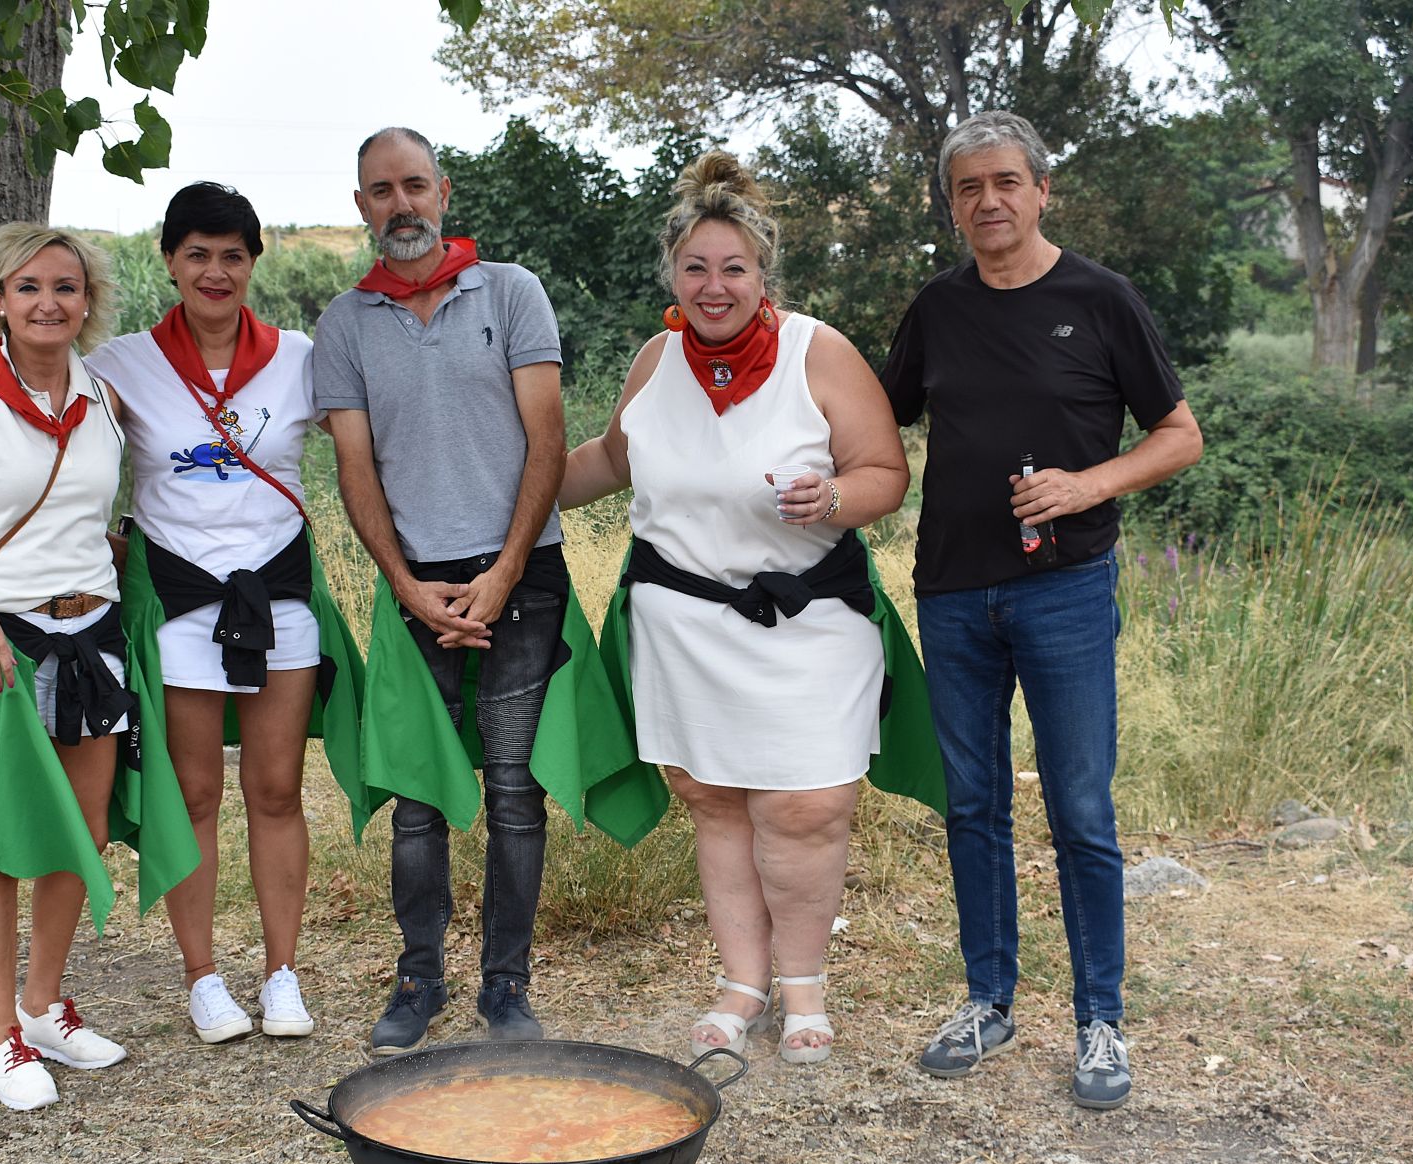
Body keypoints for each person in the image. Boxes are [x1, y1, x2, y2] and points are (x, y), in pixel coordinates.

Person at [561, 152, 937, 1066]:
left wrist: (833, 502)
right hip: (680, 625)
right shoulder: (657, 359)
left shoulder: (822, 351)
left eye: (733, 267)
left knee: (806, 807)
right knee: (717, 802)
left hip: (806, 623)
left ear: (763, 272)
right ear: (673, 276)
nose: (714, 285)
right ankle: (741, 981)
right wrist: (516, 493)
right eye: (696, 267)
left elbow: (886, 474)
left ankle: (803, 983)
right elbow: (614, 460)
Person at [880, 110, 1203, 1109]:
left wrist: (1086, 484)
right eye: (970, 188)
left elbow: (1179, 434)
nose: (990, 201)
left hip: (1065, 588)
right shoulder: (936, 308)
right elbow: (876, 416)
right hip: (953, 592)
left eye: (1007, 182)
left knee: (1081, 808)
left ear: (1041, 189)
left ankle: (1099, 1018)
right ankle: (989, 999)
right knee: (973, 803)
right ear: (952, 204)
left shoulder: (1099, 298)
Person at [316, 126, 625, 1055]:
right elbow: (354, 469)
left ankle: (506, 989)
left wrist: (501, 572)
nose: (401, 205)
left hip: (519, 580)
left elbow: (546, 438)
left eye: (416, 185)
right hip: (414, 586)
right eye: (382, 190)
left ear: (444, 192)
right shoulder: (345, 322)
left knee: (514, 792)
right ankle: (418, 980)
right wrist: (408, 585)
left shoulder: (513, 291)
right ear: (362, 206)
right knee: (418, 797)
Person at [0, 224, 176, 1111]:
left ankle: (46, 1003)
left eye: (66, 286)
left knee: (78, 830)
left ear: (87, 300)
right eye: (29, 288)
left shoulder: (102, 395)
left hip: (91, 636)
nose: (49, 303)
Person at [87, 182, 363, 1046]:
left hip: (279, 593)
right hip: (177, 600)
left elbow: (364, 451)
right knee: (196, 792)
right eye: (198, 254)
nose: (215, 271)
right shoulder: (122, 364)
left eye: (233, 255)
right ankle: (203, 978)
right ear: (169, 261)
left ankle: (282, 973)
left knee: (277, 789)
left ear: (254, 262)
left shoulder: (301, 357)